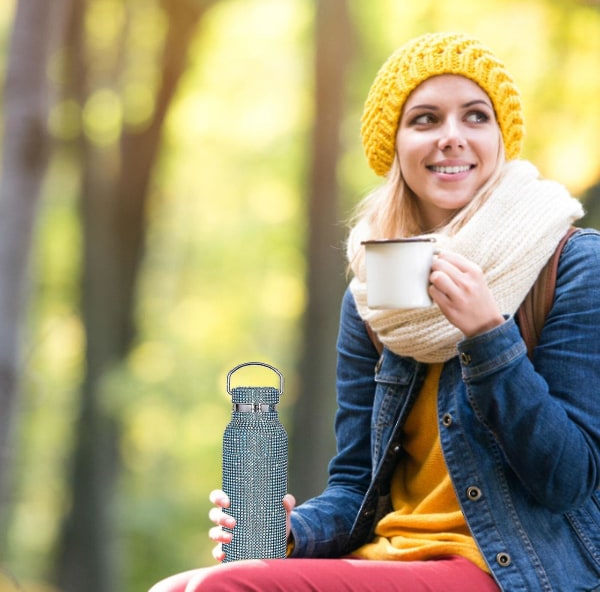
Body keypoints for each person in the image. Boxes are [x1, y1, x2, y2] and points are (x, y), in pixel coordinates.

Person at [149, 32, 600, 592]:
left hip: (514, 570)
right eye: (427, 119)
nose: (452, 137)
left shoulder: (573, 265)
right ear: (395, 145)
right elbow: (355, 486)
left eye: (476, 116)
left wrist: (489, 337)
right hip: (385, 557)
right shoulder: (370, 295)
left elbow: (569, 479)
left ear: (501, 137)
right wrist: (289, 532)